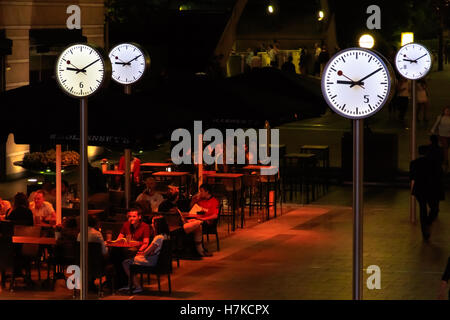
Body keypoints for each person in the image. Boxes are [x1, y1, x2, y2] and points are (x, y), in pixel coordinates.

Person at [120, 216, 170, 294]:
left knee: (126, 262)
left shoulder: (158, 238)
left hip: (152, 261)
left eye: (153, 223)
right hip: (160, 261)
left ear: (157, 225)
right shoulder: (166, 236)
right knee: (132, 260)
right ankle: (133, 284)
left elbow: (146, 252)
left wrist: (141, 253)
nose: (151, 224)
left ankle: (137, 286)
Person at [159, 186, 211, 257]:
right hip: (176, 228)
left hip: (177, 225)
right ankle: (200, 250)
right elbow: (175, 219)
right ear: (176, 197)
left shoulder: (168, 204)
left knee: (198, 227)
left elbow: (178, 216)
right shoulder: (169, 206)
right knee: (198, 223)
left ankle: (199, 250)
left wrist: (186, 219)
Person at [409, 145, 444, 241]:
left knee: (422, 209)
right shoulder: (434, 163)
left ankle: (424, 230)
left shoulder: (414, 163)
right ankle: (428, 223)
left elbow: (412, 177)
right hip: (432, 189)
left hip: (420, 189)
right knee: (434, 208)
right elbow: (440, 175)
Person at [77, 215, 108, 292]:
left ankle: (89, 282)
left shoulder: (80, 234)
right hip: (96, 264)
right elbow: (104, 252)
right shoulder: (97, 234)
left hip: (81, 262)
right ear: (96, 224)